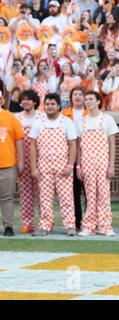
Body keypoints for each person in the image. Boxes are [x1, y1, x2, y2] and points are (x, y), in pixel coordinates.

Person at [29, 93, 77, 237]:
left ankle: (70, 226)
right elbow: (32, 146)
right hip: (44, 168)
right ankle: (45, 226)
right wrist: (33, 167)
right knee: (44, 198)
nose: (50, 107)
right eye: (47, 104)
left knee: (67, 197)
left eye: (52, 104)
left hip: (63, 167)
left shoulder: (66, 122)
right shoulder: (38, 122)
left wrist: (70, 165)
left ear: (58, 106)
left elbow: (73, 144)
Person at [76, 91, 119, 237]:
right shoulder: (82, 121)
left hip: (103, 162)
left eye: (90, 99)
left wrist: (111, 165)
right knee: (90, 195)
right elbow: (78, 146)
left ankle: (106, 226)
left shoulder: (107, 119)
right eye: (86, 99)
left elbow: (112, 144)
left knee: (104, 194)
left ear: (98, 102)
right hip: (87, 163)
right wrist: (78, 166)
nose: (87, 101)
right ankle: (89, 226)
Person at [15, 90, 43, 234]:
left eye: (29, 99)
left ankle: (46, 222)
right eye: (23, 99)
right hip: (22, 161)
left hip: (41, 160)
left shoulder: (42, 117)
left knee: (43, 193)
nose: (26, 102)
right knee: (25, 195)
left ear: (35, 102)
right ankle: (27, 223)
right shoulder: (17, 118)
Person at [62, 86, 89, 231]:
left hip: (88, 156)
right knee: (74, 193)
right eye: (75, 94)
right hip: (70, 157)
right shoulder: (64, 115)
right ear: (71, 97)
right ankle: (77, 222)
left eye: (80, 94)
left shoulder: (90, 113)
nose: (77, 97)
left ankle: (90, 221)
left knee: (89, 193)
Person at [0, 89, 24, 237]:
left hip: (7, 163)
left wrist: (20, 161)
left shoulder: (10, 117)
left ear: (2, 100)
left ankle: (8, 226)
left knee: (7, 197)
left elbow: (19, 140)